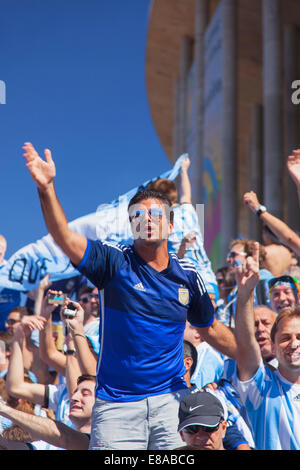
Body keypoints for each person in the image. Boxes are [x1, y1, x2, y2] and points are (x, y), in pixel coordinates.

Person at [23, 141, 237, 450]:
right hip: (116, 407)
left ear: (171, 223)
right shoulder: (113, 260)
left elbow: (211, 329)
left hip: (171, 402)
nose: (147, 219)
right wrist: (46, 189)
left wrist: (247, 359)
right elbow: (65, 239)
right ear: (131, 224)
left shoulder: (190, 275)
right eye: (138, 215)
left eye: (155, 214)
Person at [233, 241, 300, 450]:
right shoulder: (261, 387)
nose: (294, 343)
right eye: (285, 338)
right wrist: (245, 294)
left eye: (299, 336)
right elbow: (246, 345)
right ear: (272, 345)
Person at [147, 155, 217, 294]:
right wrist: (184, 170)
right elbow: (186, 196)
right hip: (208, 278)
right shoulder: (188, 210)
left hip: (185, 278)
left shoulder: (162, 221)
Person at [0, 374, 95, 450]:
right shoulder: (48, 443)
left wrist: (4, 409)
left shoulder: (99, 440)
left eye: (85, 394)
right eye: (75, 392)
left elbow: (65, 437)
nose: (74, 398)